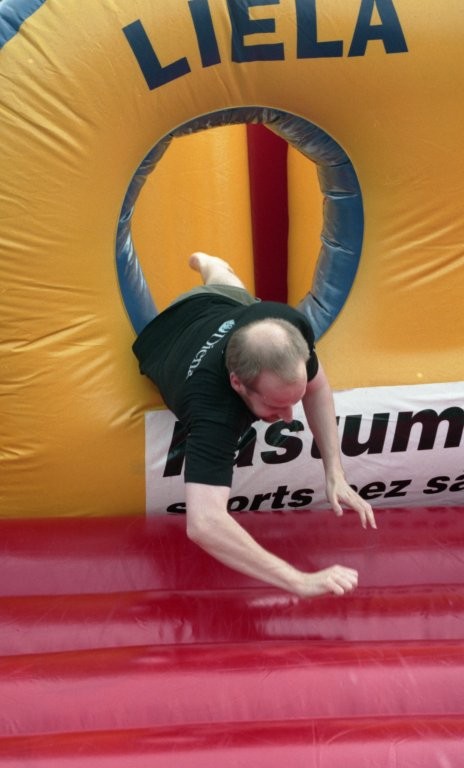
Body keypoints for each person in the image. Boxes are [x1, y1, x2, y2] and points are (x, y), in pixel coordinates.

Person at [133, 252, 377, 598]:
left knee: (228, 284)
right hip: (168, 335)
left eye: (292, 400)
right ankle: (210, 267)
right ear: (238, 384)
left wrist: (334, 471)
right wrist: (299, 581)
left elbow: (317, 386)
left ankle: (212, 265)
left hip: (225, 306)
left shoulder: (287, 328)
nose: (289, 417)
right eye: (276, 405)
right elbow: (204, 523)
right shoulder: (213, 408)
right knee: (220, 289)